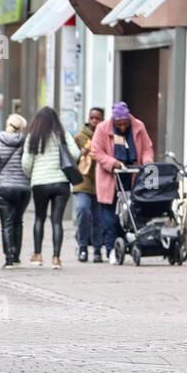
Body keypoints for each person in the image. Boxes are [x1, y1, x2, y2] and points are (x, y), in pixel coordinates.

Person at [92, 101, 155, 260]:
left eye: (124, 124)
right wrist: (114, 163)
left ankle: (129, 244)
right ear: (113, 121)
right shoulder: (102, 128)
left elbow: (147, 148)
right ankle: (110, 248)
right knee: (109, 216)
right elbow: (97, 152)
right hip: (110, 176)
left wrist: (147, 163)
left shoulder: (138, 126)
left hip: (132, 174)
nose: (121, 127)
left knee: (129, 214)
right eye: (118, 124)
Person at [21, 107, 77, 269]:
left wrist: (31, 173)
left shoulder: (33, 137)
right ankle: (56, 258)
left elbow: (26, 164)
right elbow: (76, 153)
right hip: (61, 183)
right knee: (57, 220)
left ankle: (37, 255)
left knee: (39, 218)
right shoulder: (62, 135)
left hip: (40, 183)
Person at [0, 114, 31, 269]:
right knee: (18, 221)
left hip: (2, 189)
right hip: (23, 188)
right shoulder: (26, 144)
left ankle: (9, 259)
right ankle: (17, 256)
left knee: (6, 224)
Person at [74, 106, 107, 263]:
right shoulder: (80, 137)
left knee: (98, 217)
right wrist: (80, 154)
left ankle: (97, 249)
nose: (94, 120)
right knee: (83, 210)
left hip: (101, 180)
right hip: (83, 180)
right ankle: (82, 247)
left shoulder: (107, 136)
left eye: (98, 118)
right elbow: (71, 158)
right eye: (92, 117)